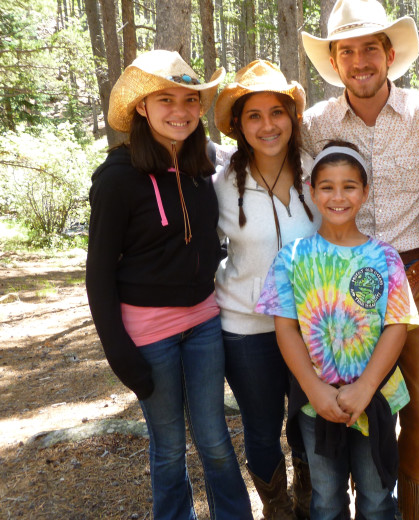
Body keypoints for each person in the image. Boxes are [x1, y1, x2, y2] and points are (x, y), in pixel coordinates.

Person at [85, 50, 253, 519]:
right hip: (147, 334)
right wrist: (119, 352)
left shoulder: (207, 166)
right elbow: (98, 273)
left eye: (190, 100)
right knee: (169, 448)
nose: (180, 111)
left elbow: (258, 156)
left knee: (216, 439)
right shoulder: (117, 179)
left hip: (203, 322)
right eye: (166, 100)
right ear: (142, 107)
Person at [300, 1, 419, 517]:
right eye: (347, 51)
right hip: (338, 289)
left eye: (370, 48)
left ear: (389, 54)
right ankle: (330, 500)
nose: (360, 60)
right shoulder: (313, 124)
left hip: (413, 277)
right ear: (335, 63)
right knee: (342, 402)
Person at [255, 142, 419, 520]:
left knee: (377, 498)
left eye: (349, 186)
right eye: (327, 186)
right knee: (326, 501)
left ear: (364, 193)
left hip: (375, 398)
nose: (338, 196)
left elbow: (397, 325)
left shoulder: (385, 257)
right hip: (317, 403)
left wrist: (364, 388)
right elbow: (286, 330)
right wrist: (315, 389)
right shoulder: (292, 258)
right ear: (312, 191)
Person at [213, 60, 319, 519]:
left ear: (292, 117)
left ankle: (311, 501)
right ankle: (276, 508)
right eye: (253, 115)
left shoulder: (319, 175)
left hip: (311, 327)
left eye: (277, 112)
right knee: (261, 426)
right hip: (246, 327)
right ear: (238, 124)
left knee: (308, 423)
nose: (267, 125)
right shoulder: (220, 184)